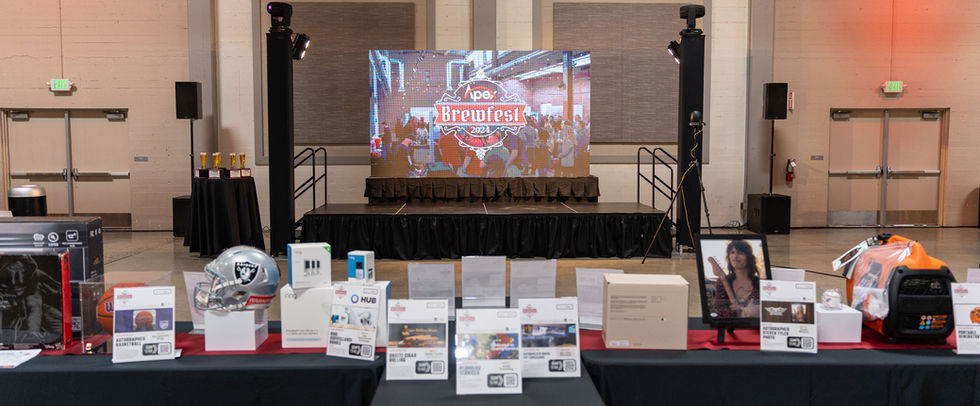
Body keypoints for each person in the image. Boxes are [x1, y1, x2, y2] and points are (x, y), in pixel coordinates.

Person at [708, 240, 762, 318]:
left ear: (748, 257)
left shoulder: (759, 283)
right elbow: (719, 310)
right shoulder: (722, 282)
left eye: (740, 253)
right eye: (732, 252)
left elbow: (762, 311)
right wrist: (732, 312)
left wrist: (743, 311)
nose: (735, 256)